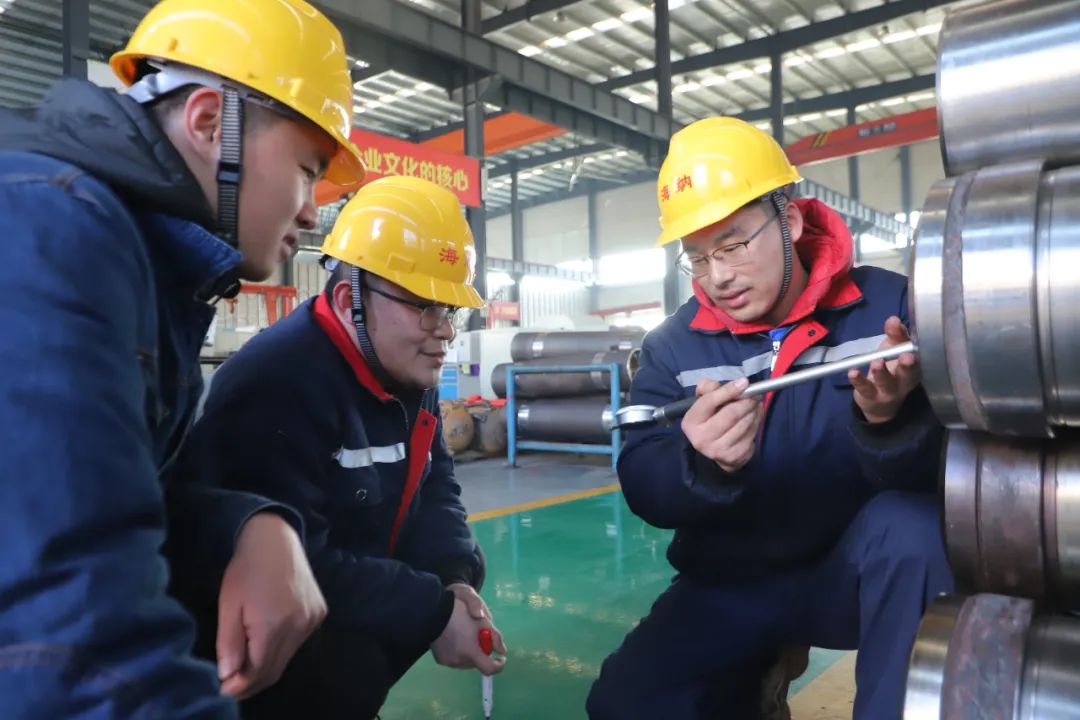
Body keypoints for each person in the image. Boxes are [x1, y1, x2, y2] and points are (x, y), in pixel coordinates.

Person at [0, 0, 366, 716]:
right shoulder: (50, 229)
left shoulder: (151, 266)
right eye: (307, 169)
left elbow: (107, 491)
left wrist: (248, 525)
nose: (311, 211)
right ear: (207, 123)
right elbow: (68, 646)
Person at [586, 117, 954, 719]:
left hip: (849, 574)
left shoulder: (888, 310)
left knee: (913, 529)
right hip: (730, 583)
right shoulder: (673, 347)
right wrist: (701, 466)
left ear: (791, 221)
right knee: (623, 705)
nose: (718, 276)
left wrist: (890, 421)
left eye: (733, 245)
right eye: (697, 257)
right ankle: (753, 684)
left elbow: (956, 463)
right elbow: (643, 476)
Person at [177, 175, 506, 719]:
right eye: (426, 306)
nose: (446, 331)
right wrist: (429, 610)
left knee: (468, 559)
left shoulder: (407, 371)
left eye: (451, 310)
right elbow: (288, 569)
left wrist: (452, 580)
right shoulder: (276, 384)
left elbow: (435, 486)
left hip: (345, 616)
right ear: (349, 298)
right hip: (260, 660)